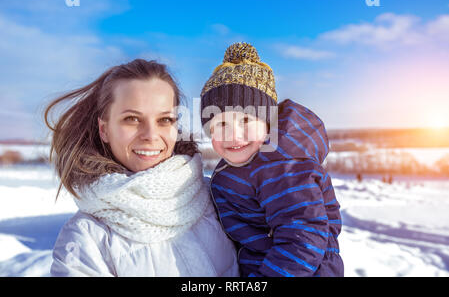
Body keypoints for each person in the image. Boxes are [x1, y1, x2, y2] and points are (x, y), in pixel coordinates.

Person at [45, 59, 239, 277]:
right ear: (104, 129)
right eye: (132, 119)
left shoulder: (219, 197)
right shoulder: (86, 238)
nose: (150, 135)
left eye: (164, 119)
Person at [200, 43, 344, 277]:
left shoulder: (281, 167)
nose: (233, 135)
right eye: (221, 125)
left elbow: (303, 238)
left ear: (267, 124)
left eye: (246, 121)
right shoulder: (238, 164)